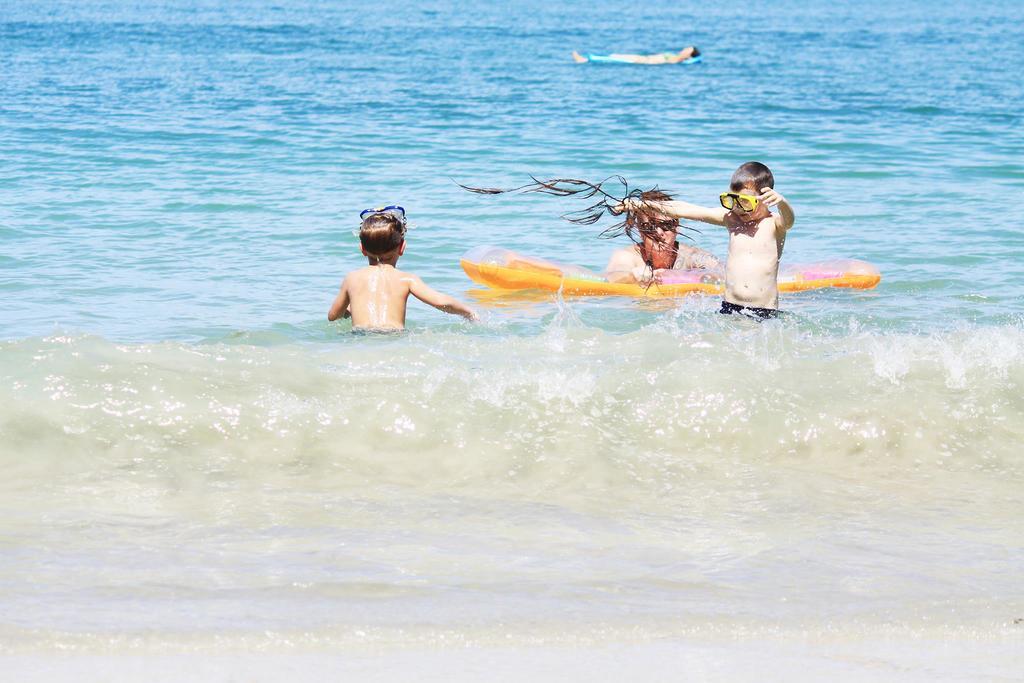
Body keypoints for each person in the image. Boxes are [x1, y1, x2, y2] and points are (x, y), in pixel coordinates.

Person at [619, 162, 795, 317]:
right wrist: (639, 205)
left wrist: (782, 203)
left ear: (766, 198)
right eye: (732, 201)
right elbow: (684, 209)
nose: (738, 209)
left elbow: (789, 220)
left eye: (746, 203)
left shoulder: (774, 224)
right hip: (730, 306)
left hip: (763, 310)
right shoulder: (731, 219)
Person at [328, 206, 478, 331]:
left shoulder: (352, 278)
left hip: (360, 337)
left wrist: (352, 311)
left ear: (362, 248)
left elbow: (333, 316)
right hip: (393, 337)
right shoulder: (407, 279)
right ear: (402, 248)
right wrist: (468, 312)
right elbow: (440, 302)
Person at [604, 190, 721, 285]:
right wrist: (631, 276)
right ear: (639, 230)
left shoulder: (691, 256)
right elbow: (612, 277)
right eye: (649, 227)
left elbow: (725, 275)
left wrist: (679, 275)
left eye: (666, 225)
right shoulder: (628, 256)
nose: (659, 232)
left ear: (677, 227)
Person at [572, 46, 700, 65]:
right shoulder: (677, 56)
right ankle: (586, 59)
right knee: (614, 55)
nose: (684, 48)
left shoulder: (680, 58)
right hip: (644, 59)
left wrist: (689, 58)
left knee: (614, 58)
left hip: (646, 61)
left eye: (688, 49)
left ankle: (584, 59)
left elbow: (677, 60)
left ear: (689, 54)